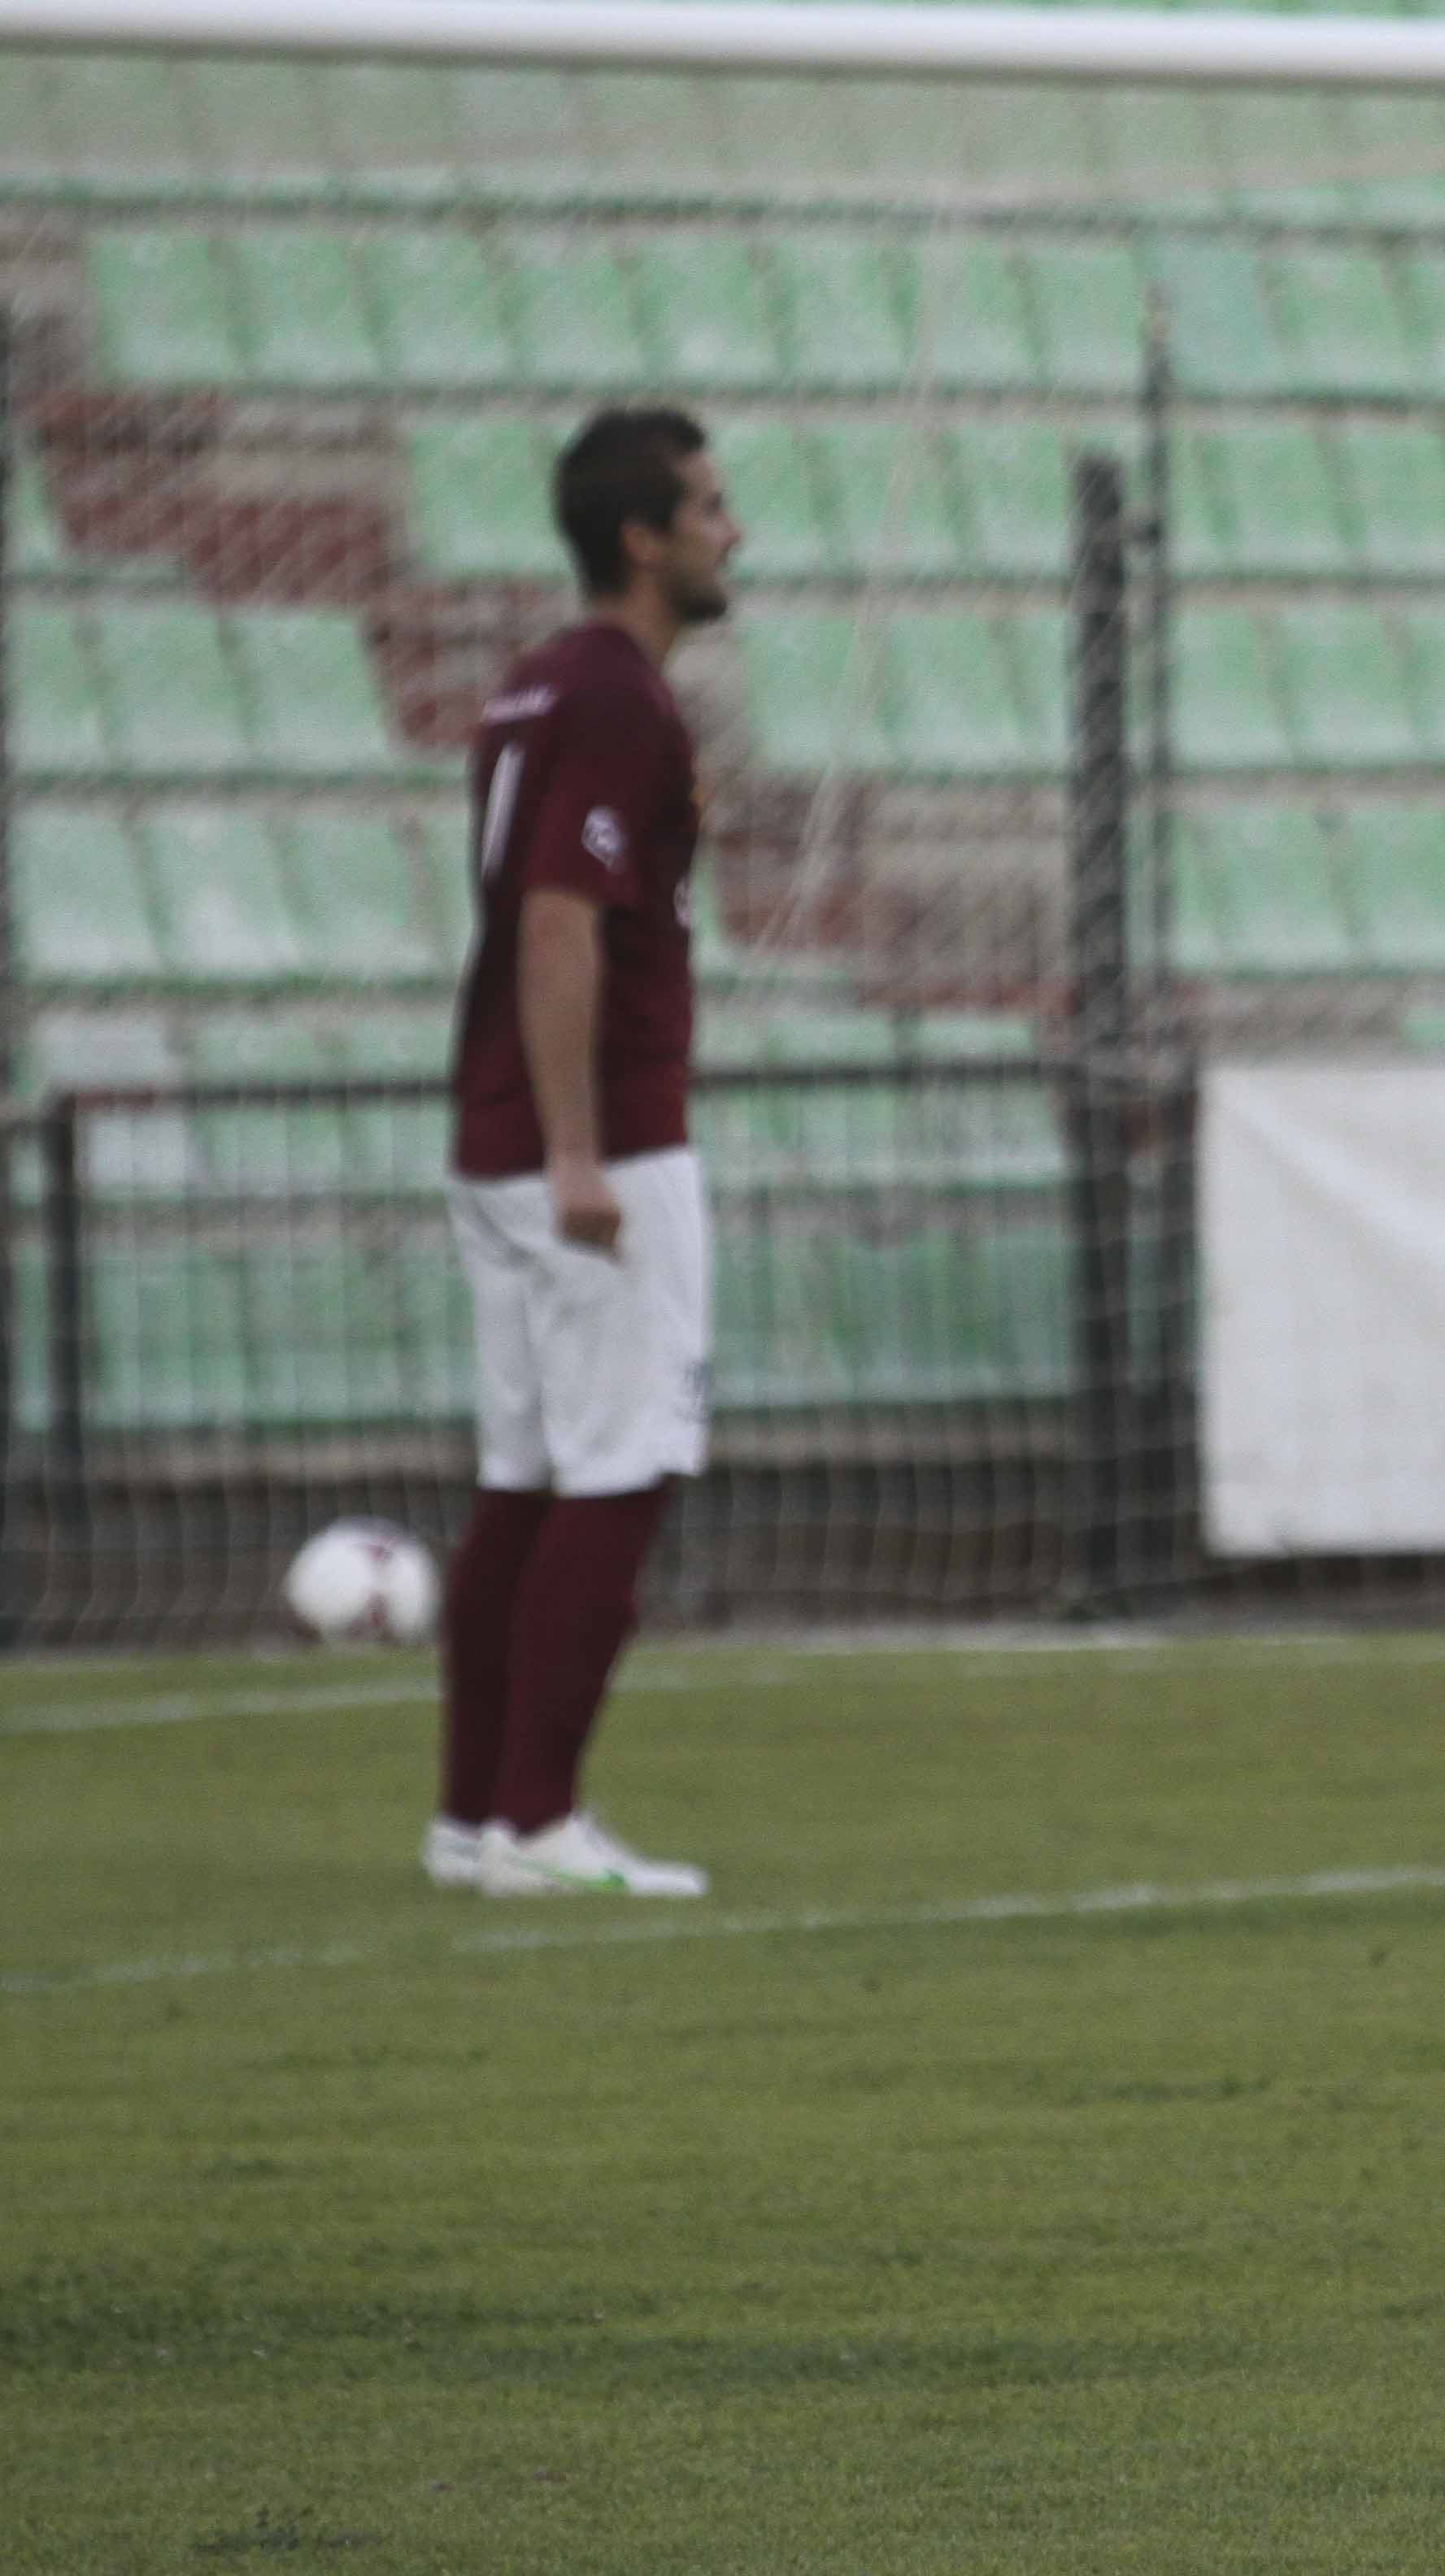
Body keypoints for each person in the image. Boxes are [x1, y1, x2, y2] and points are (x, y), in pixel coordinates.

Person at [424, 407, 738, 1901]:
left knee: (528, 1480)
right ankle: (540, 1822)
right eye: (711, 507)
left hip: (491, 1132)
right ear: (644, 536)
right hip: (591, 1145)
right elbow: (560, 920)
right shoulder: (614, 696)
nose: (733, 533)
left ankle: (474, 1814)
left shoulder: (536, 687)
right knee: (626, 1466)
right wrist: (582, 1154)